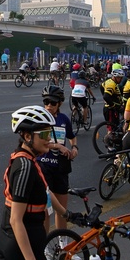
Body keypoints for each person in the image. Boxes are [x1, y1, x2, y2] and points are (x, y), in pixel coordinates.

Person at [0, 105, 57, 260]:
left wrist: (68, 214)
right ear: (27, 136)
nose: (48, 139)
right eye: (44, 135)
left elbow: (45, 194)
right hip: (23, 248)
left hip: (11, 244)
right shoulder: (25, 167)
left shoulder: (28, 160)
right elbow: (16, 219)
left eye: (50, 134)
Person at [38, 85, 78, 230]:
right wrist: (58, 146)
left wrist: (74, 148)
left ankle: (63, 244)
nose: (49, 105)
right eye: (46, 101)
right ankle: (46, 245)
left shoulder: (63, 119)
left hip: (60, 168)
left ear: (59, 103)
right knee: (45, 211)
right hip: (44, 168)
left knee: (61, 210)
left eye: (52, 102)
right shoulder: (40, 120)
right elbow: (41, 143)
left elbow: (72, 137)